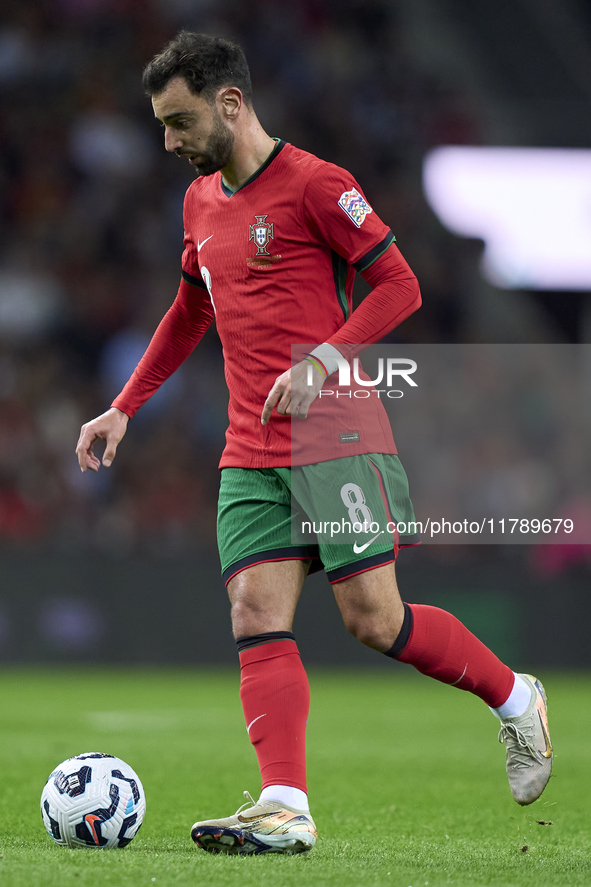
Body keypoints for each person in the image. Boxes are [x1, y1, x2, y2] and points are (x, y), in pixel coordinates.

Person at [76, 31, 552, 856]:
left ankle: (515, 697)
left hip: (337, 435)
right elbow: (191, 309)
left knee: (374, 620)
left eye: (179, 121)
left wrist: (323, 357)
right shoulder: (198, 204)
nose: (168, 142)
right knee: (253, 609)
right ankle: (284, 803)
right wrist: (124, 406)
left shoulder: (316, 184)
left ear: (230, 103)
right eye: (160, 124)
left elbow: (399, 283)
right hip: (248, 448)